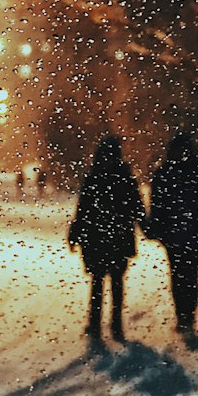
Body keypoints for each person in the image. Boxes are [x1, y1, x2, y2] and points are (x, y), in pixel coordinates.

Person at [148, 132, 198, 342]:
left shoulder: (164, 172)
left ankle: (181, 317)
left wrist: (154, 229)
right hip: (196, 233)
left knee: (177, 274)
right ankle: (189, 318)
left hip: (172, 235)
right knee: (191, 275)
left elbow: (156, 205)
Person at [68, 135, 146, 344]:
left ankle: (95, 325)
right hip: (120, 238)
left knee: (97, 282)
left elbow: (82, 209)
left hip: (95, 238)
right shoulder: (126, 177)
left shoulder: (93, 176)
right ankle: (116, 326)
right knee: (117, 283)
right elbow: (136, 207)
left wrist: (74, 234)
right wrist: (147, 227)